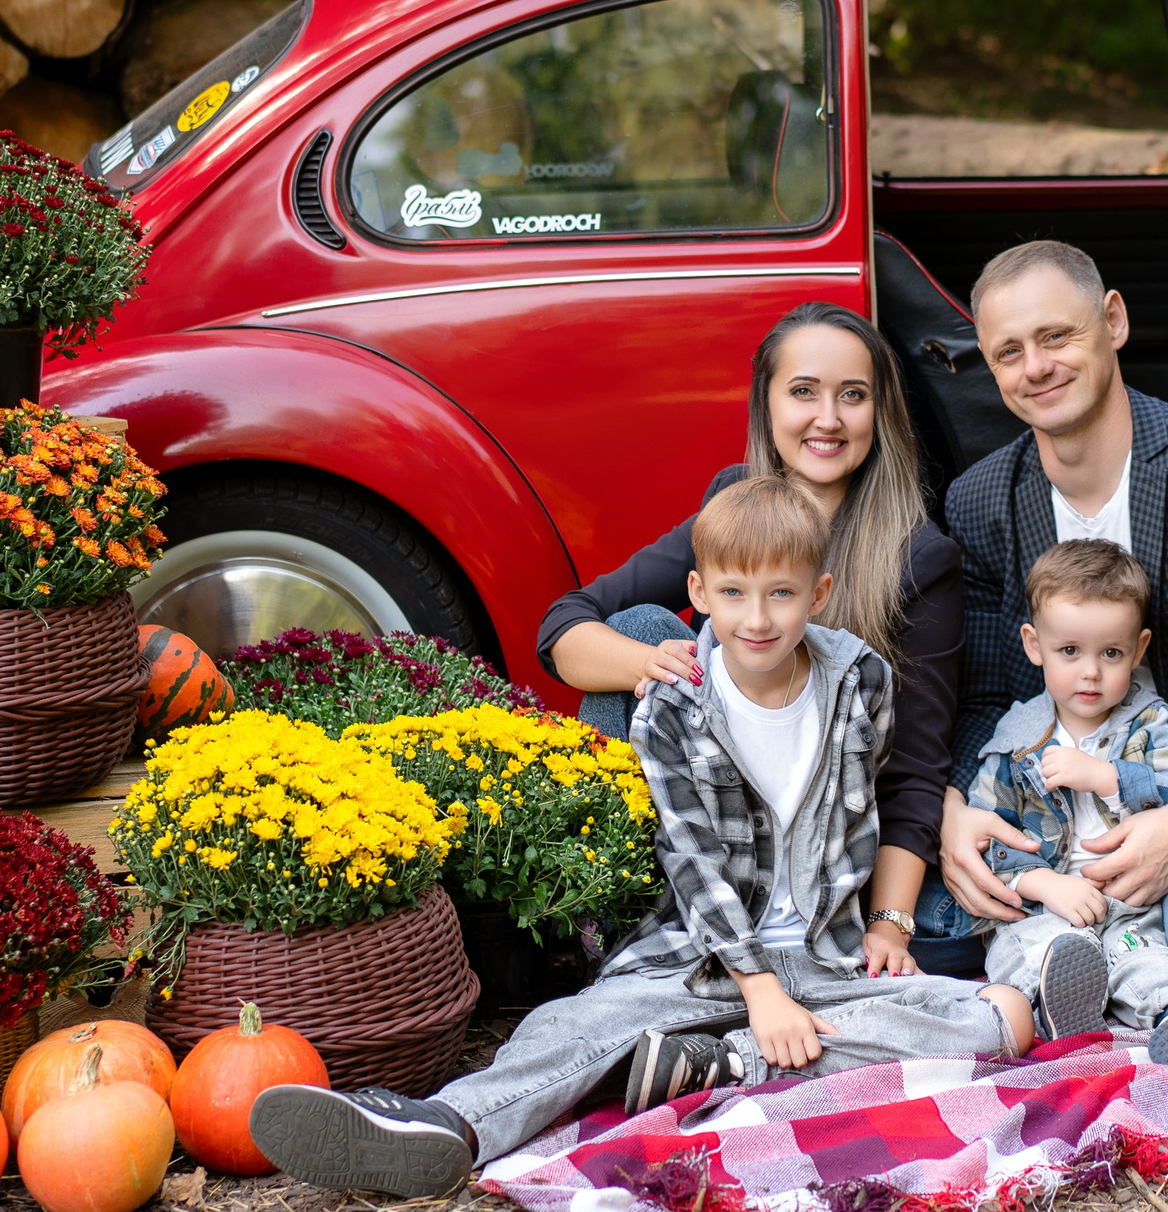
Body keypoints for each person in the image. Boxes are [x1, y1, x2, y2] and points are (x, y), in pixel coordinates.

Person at [249, 476, 1032, 1197]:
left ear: (819, 593)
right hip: (705, 957)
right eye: (733, 592)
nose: (757, 618)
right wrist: (757, 988)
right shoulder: (673, 706)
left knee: (1000, 1013)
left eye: (782, 594)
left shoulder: (860, 682)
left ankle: (724, 1063)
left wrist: (885, 928)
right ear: (699, 593)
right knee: (571, 1025)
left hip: (826, 957)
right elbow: (691, 862)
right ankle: (445, 1126)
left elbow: (868, 805)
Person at [927, 239, 1168, 991]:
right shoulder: (980, 502)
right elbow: (984, 696)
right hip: (1059, 819)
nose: (1035, 367)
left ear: (1113, 320)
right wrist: (954, 807)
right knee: (951, 930)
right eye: (1008, 351)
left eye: (1055, 336)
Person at [538, 302, 959, 976]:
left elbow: (914, 773)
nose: (828, 418)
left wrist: (892, 925)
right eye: (803, 392)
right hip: (703, 820)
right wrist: (651, 662)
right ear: (767, 404)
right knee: (640, 626)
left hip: (819, 845)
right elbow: (564, 627)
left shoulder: (917, 556)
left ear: (879, 414)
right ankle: (608, 919)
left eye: (853, 396)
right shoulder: (735, 505)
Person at [963, 538, 1168, 1059]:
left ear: (1139, 649)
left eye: (1111, 653)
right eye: (1069, 651)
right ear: (1034, 645)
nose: (1090, 672)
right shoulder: (1016, 738)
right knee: (1034, 951)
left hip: (1128, 901)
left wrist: (1108, 777)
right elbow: (990, 836)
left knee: (1145, 957)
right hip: (1042, 909)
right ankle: (1064, 1010)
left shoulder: (1151, 723)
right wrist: (1043, 884)